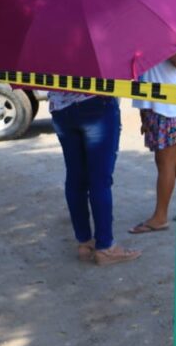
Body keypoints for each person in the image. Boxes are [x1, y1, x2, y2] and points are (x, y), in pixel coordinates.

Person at [49, 90, 141, 266]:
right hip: (95, 102)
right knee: (100, 181)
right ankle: (105, 247)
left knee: (75, 178)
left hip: (60, 108)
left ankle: (84, 243)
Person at [129, 35, 176, 234]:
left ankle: (160, 217)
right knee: (175, 162)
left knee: (165, 162)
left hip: (168, 107)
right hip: (160, 106)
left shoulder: (172, 31)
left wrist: (160, 41)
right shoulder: (169, 29)